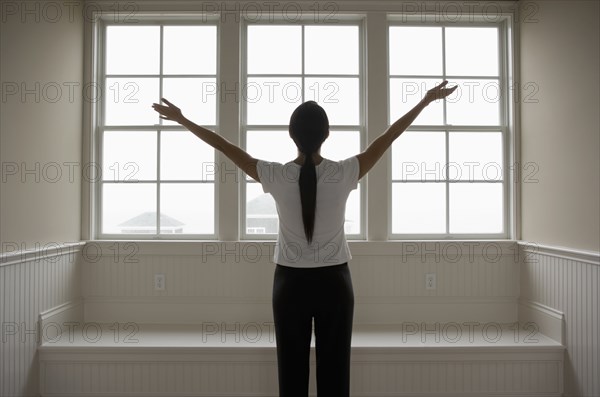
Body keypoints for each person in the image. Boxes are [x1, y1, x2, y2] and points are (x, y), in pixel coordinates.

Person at [152, 80, 457, 397]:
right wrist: (424, 101)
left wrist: (183, 119)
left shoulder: (276, 175)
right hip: (335, 283)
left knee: (291, 378)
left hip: (289, 285)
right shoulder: (344, 172)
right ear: (326, 135)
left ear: (292, 135)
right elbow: (389, 137)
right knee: (335, 377)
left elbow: (225, 147)